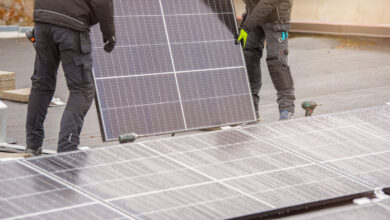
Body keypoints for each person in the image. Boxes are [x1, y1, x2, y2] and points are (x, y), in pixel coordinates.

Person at [25, 0, 116, 156]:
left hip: (43, 21)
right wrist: (109, 33)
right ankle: (67, 148)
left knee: (41, 84)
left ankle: (32, 146)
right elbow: (102, 2)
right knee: (82, 89)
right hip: (71, 26)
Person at [237, 0, 295, 121]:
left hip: (277, 19)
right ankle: (251, 109)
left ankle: (287, 109)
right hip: (252, 16)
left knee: (276, 61)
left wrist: (246, 27)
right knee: (248, 56)